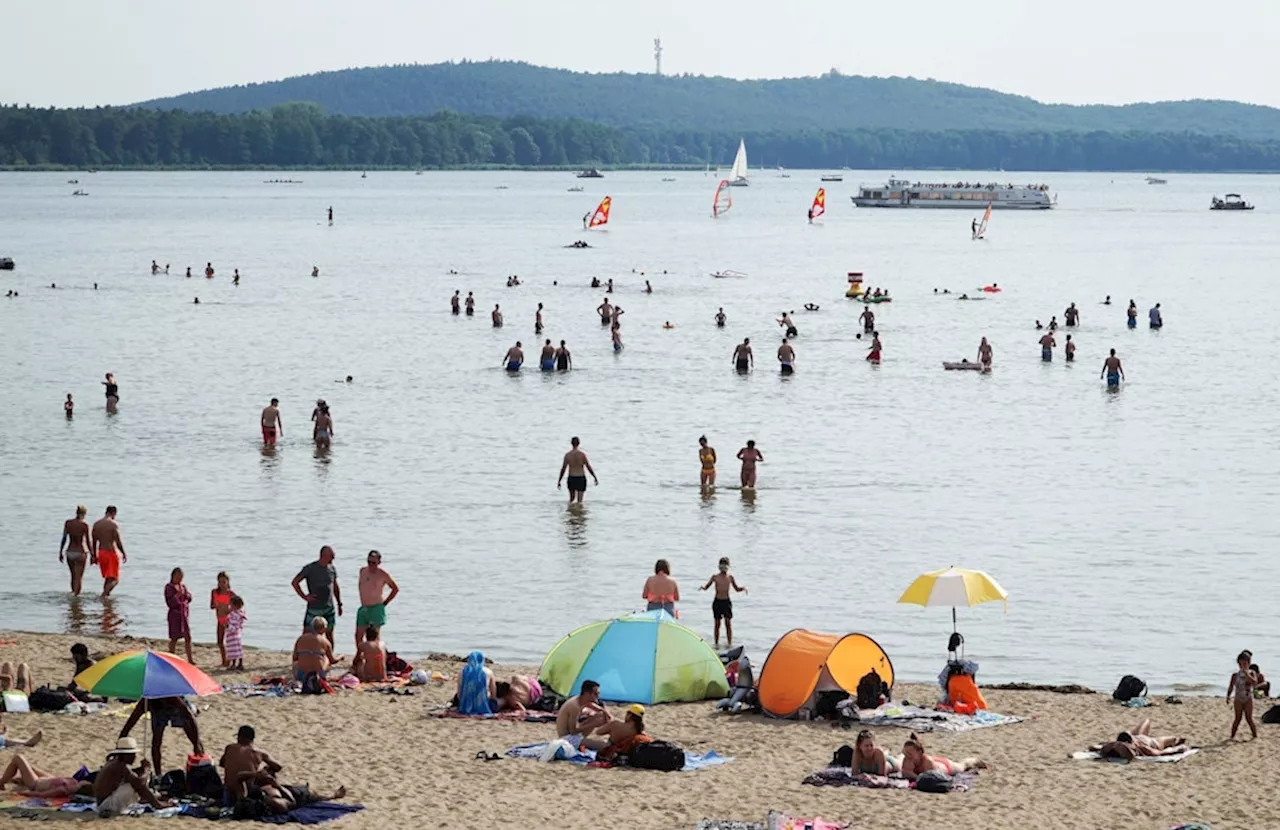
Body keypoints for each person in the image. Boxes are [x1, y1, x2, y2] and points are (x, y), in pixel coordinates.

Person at [121, 696, 204, 774]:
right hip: (159, 710)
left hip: (175, 707)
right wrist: (121, 738)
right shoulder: (146, 702)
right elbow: (132, 720)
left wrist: (196, 744)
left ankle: (202, 762)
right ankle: (158, 774)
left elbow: (190, 717)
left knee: (191, 733)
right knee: (156, 740)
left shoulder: (173, 698)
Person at [94, 737, 172, 817]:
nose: (134, 757)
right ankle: (157, 804)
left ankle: (152, 799)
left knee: (138, 781)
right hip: (107, 805)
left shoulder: (115, 763)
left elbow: (132, 774)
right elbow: (139, 782)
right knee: (136, 785)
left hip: (103, 802)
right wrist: (146, 769)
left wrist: (142, 769)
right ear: (125, 755)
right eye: (132, 755)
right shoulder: (121, 766)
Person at [292, 545, 342, 643]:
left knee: (329, 634)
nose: (333, 558)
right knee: (307, 634)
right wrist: (304, 596)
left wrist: (339, 603)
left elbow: (335, 586)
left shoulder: (332, 569)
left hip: (329, 607)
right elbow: (295, 582)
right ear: (323, 555)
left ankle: (328, 656)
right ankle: (301, 654)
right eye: (332, 556)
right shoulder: (310, 568)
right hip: (314, 608)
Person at [220, 725, 283, 803]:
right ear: (252, 739)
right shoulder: (259, 753)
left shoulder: (230, 748)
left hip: (228, 790)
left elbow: (222, 764)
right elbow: (278, 767)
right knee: (269, 774)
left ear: (239, 737)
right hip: (247, 790)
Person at [355, 550, 399, 651]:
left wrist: (385, 603)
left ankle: (376, 658)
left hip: (376, 607)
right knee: (358, 635)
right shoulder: (362, 571)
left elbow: (395, 589)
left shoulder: (382, 574)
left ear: (379, 562)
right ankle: (361, 657)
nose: (371, 565)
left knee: (374, 637)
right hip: (364, 607)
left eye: (373, 563)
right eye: (369, 562)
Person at [900, 733, 987, 781]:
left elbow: (929, 779)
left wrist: (913, 775)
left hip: (945, 767)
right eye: (905, 753)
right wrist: (908, 772)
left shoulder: (927, 762)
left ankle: (974, 760)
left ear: (919, 753)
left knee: (962, 766)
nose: (907, 756)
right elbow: (905, 774)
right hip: (936, 761)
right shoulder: (907, 760)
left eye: (910, 754)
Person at [701, 557, 746, 648]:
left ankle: (729, 644)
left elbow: (736, 589)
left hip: (726, 602)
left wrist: (743, 588)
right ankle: (716, 643)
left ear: (728, 566)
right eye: (722, 565)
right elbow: (706, 587)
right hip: (717, 601)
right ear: (719, 566)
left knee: (728, 623)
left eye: (725, 565)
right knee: (717, 624)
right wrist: (702, 587)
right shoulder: (715, 577)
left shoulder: (730, 577)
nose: (723, 567)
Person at [555, 679, 612, 750]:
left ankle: (584, 740)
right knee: (604, 746)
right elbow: (573, 731)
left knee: (599, 715)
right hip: (567, 739)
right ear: (587, 694)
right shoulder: (574, 706)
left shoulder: (582, 700)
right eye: (596, 694)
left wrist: (605, 712)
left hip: (574, 735)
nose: (598, 696)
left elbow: (597, 707)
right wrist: (594, 724)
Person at [1096, 719, 1187, 760]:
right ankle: (1176, 743)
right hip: (1154, 742)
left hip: (1139, 736)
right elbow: (1160, 753)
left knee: (1146, 720)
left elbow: (1093, 747)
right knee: (1173, 739)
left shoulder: (1115, 745)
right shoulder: (1143, 748)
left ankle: (1131, 734)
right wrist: (1177, 749)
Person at [91, 505, 127, 597]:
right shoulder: (113, 525)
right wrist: (123, 553)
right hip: (110, 553)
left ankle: (107, 600)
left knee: (108, 578)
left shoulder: (96, 524)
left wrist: (94, 555)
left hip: (101, 553)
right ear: (114, 513)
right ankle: (103, 596)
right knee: (115, 579)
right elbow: (118, 541)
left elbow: (94, 542)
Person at [59, 505, 91, 596]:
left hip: (69, 552)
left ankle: (73, 593)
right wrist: (93, 554)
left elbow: (64, 538)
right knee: (79, 577)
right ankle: (76, 597)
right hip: (80, 552)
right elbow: (88, 541)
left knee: (73, 576)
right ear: (84, 514)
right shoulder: (84, 525)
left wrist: (60, 552)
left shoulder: (68, 523)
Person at [165, 567, 194, 664]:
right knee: (174, 638)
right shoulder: (169, 587)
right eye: (178, 577)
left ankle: (190, 659)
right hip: (174, 615)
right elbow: (169, 603)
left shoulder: (183, 586)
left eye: (181, 577)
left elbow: (189, 598)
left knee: (188, 636)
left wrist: (186, 594)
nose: (179, 579)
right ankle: (171, 657)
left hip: (184, 615)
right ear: (173, 576)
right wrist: (177, 596)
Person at [558, 436, 599, 504]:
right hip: (580, 478)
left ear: (571, 443)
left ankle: (570, 513)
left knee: (571, 500)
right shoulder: (582, 455)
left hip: (572, 478)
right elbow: (588, 467)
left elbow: (563, 469)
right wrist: (594, 477)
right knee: (580, 501)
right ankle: (579, 513)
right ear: (579, 443)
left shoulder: (568, 455)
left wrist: (559, 481)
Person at [1228, 650, 1259, 740]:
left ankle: (1254, 736)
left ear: (1249, 663)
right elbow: (1231, 686)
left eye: (1245, 664)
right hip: (1238, 698)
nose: (1242, 666)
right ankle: (1232, 736)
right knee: (1238, 718)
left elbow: (1254, 683)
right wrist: (1228, 695)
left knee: (1249, 718)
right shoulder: (1235, 675)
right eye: (1240, 664)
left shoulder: (1252, 673)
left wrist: (1247, 674)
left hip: (1248, 697)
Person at [455, 651, 496, 715]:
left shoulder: (462, 672)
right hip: (482, 703)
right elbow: (493, 693)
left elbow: (459, 694)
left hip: (465, 705)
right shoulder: (488, 672)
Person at [211, 572, 235, 663]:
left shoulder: (231, 593)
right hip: (220, 619)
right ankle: (224, 659)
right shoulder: (215, 592)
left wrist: (228, 608)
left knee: (230, 641)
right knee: (220, 641)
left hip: (229, 619)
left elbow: (237, 606)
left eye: (223, 582)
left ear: (228, 582)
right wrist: (216, 605)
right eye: (220, 582)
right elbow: (211, 606)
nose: (221, 584)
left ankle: (229, 660)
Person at [225, 596, 247, 670]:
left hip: (233, 634)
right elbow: (239, 625)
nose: (229, 606)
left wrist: (228, 626)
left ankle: (235, 664)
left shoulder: (234, 615)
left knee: (233, 650)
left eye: (231, 605)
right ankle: (239, 664)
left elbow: (234, 624)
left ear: (235, 606)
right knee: (238, 649)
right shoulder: (240, 614)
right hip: (237, 633)